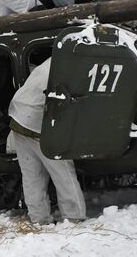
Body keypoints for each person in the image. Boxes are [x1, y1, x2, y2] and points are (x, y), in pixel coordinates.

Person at [7, 57, 86, 224]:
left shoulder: (54, 59)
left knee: (31, 174)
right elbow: (63, 101)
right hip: (35, 119)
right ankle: (74, 216)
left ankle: (39, 218)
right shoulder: (72, 66)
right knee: (63, 170)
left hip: (18, 116)